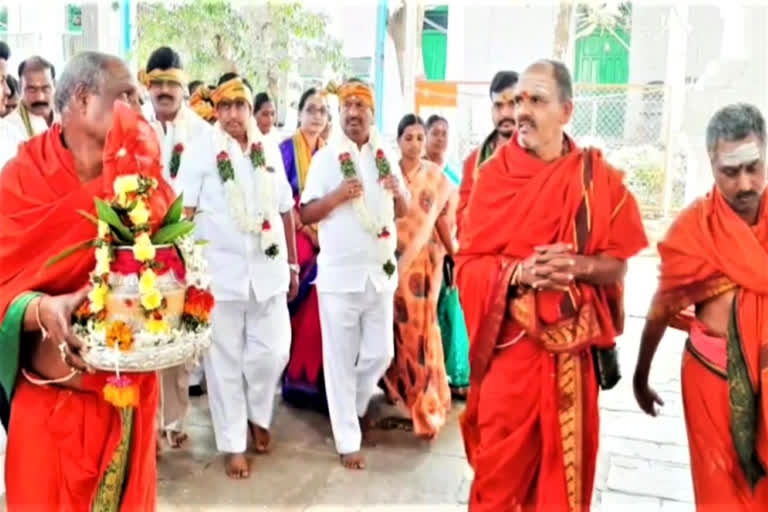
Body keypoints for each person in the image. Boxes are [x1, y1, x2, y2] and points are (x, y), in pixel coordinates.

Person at [455, 59, 647, 510]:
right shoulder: (492, 179)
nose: (522, 110)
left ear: (566, 110)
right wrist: (518, 273)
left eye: (536, 100)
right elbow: (466, 266)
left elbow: (617, 267)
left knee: (562, 489)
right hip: (510, 359)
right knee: (496, 488)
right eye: (519, 99)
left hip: (571, 365)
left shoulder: (594, 178)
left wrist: (575, 266)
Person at [0, 51, 161, 510]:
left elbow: (168, 272)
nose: (140, 106)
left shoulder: (142, 178)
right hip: (49, 408)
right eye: (126, 95)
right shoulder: (21, 179)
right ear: (85, 100)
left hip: (126, 407)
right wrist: (42, 310)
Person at [634, 103, 768, 509]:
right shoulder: (693, 230)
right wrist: (641, 376)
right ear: (711, 164)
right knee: (720, 498)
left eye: (754, 168)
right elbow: (661, 308)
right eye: (731, 172)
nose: (745, 184)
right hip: (711, 381)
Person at [180, 72, 298, 479]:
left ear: (251, 110)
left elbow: (285, 208)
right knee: (224, 363)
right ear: (216, 110)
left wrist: (293, 263)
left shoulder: (268, 149)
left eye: (240, 106)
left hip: (269, 271)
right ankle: (232, 443)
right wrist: (185, 272)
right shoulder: (200, 151)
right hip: (220, 276)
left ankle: (258, 413)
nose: (233, 114)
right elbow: (185, 213)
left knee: (273, 352)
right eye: (225, 106)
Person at [300, 79, 409, 470]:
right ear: (340, 113)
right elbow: (306, 213)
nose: (353, 113)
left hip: (380, 273)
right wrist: (337, 197)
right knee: (340, 359)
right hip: (340, 278)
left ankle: (356, 404)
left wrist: (400, 192)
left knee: (381, 352)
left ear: (371, 114)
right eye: (347, 106)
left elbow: (403, 211)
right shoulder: (327, 158)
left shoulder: (385, 155)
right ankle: (347, 437)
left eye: (360, 106)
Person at [142, 46, 214, 449]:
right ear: (148, 86)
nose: (165, 90)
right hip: (143, 254)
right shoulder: (135, 129)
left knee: (181, 344)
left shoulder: (204, 134)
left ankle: (174, 419)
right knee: (149, 337)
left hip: (188, 252)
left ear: (185, 88)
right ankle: (150, 426)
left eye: (172, 83)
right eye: (158, 83)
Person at [380, 114, 455, 439]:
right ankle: (401, 391)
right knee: (393, 333)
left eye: (419, 138)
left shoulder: (436, 176)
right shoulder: (386, 173)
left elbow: (438, 224)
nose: (415, 144)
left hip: (421, 267)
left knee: (420, 334)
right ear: (398, 140)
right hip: (387, 262)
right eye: (408, 137)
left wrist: (453, 254)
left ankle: (426, 404)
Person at [279, 87, 330, 411]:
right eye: (310, 109)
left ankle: (321, 377)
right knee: (314, 282)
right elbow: (282, 203)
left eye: (322, 111)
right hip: (294, 231)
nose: (316, 116)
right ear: (299, 113)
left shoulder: (331, 152)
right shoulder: (284, 150)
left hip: (326, 230)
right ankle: (299, 375)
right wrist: (310, 232)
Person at [457, 70, 518, 239]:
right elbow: (462, 220)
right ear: (492, 110)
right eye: (499, 106)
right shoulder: (474, 162)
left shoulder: (542, 156)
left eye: (512, 104)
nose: (505, 113)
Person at [5, 56, 57, 140]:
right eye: (32, 89)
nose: (40, 97)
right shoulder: (8, 128)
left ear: (55, 85)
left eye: (45, 88)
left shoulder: (69, 117)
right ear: (20, 87)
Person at [424, 114, 460, 186]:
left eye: (444, 134)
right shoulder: (416, 168)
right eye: (435, 133)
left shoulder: (455, 171)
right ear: (425, 136)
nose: (440, 139)